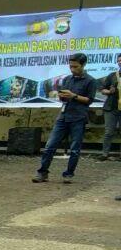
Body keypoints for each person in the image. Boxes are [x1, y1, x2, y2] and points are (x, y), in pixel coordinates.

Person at [32, 53, 97, 184]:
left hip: (78, 117)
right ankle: (42, 173)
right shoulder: (67, 79)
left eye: (75, 66)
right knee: (50, 146)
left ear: (83, 65)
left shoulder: (90, 81)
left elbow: (89, 100)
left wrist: (73, 96)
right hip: (63, 116)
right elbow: (62, 96)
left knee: (74, 149)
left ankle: (68, 174)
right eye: (70, 66)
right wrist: (61, 96)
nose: (72, 69)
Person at [99, 53, 121, 161]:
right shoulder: (112, 75)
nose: (120, 62)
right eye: (119, 60)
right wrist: (109, 91)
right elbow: (102, 89)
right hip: (111, 108)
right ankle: (105, 154)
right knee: (109, 132)